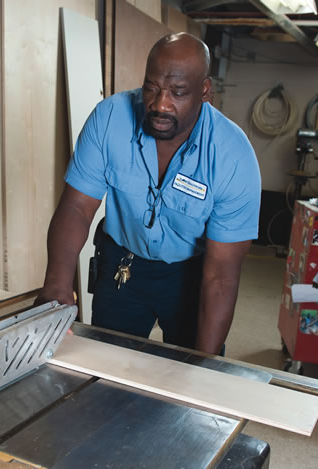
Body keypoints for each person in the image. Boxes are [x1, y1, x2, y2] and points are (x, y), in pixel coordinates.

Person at [36, 33, 261, 355]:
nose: (160, 104)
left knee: (189, 371)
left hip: (194, 274)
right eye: (151, 87)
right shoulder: (109, 119)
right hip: (122, 264)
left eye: (178, 93)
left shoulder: (232, 157)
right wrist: (57, 286)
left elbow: (222, 277)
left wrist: (207, 364)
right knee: (107, 365)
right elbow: (76, 208)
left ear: (205, 91)